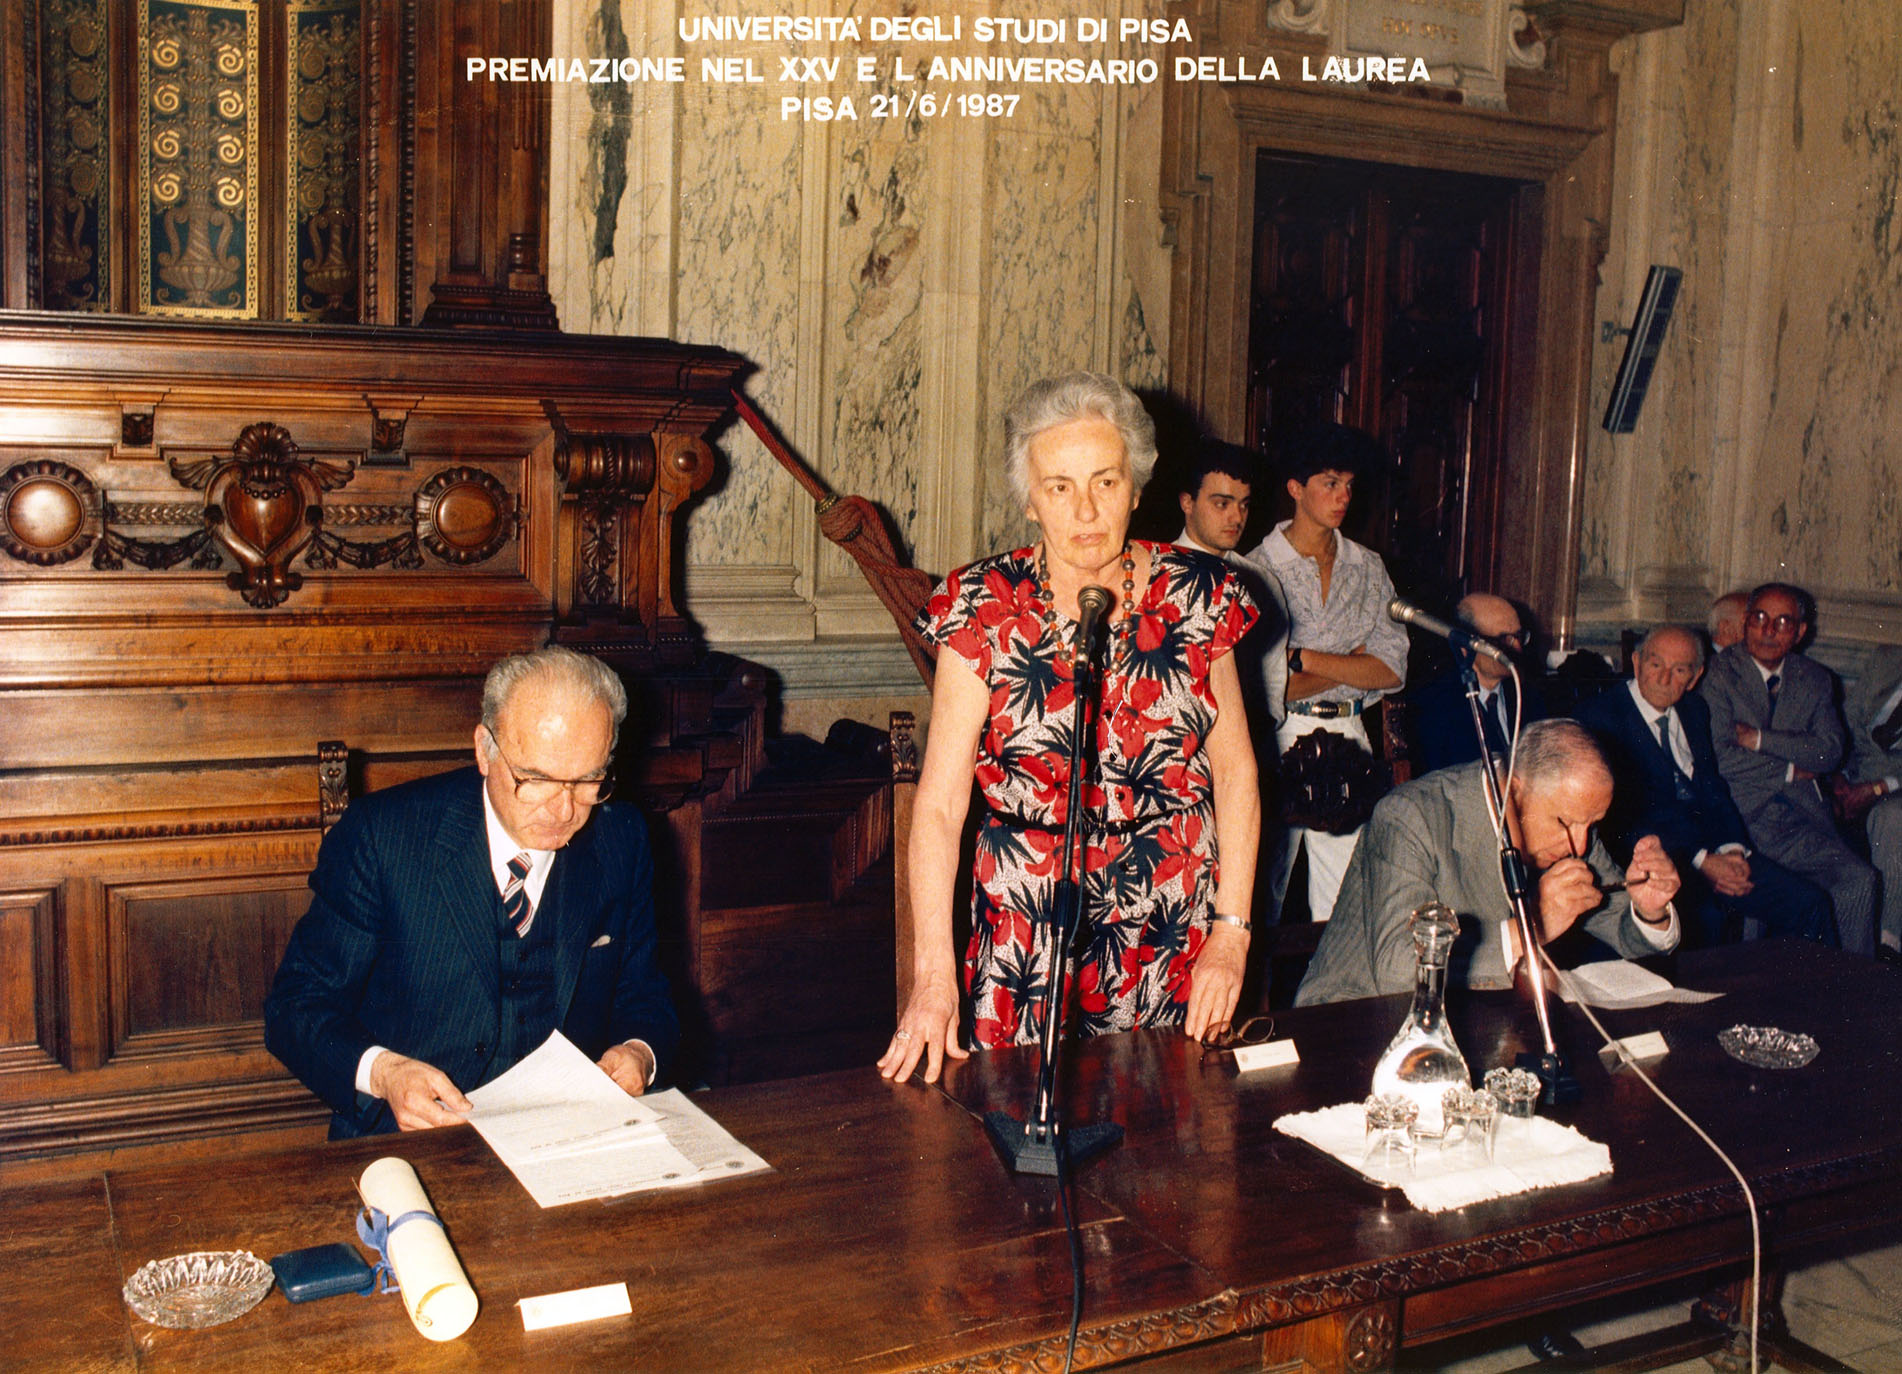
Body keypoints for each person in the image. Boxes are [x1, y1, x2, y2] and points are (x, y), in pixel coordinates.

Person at [878, 372, 1261, 1084]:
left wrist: (1231, 933)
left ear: (1136, 486)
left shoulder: (1200, 596)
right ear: (1030, 499)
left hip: (1174, 921)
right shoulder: (981, 605)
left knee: (1178, 1130)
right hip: (1028, 927)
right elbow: (939, 807)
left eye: (1105, 482)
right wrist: (933, 978)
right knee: (1009, 1123)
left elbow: (1235, 772)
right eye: (1059, 487)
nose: (1086, 510)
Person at [265, 646, 679, 1136]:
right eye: (537, 779)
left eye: (588, 780)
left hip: (567, 1135)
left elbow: (644, 994)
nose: (564, 810)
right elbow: (295, 1008)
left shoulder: (620, 837)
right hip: (415, 1137)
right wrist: (383, 1074)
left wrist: (639, 1052)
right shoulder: (383, 838)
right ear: (485, 749)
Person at [1296, 719, 1680, 1005]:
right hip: (1356, 1013)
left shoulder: (1570, 820)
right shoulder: (1411, 816)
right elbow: (1396, 970)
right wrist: (1529, 927)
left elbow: (1623, 931)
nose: (1579, 845)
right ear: (1513, 791)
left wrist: (1649, 912)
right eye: (1566, 823)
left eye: (1592, 825)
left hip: (1479, 1014)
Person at [1244, 422, 1407, 924]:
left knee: (1344, 898)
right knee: (1260, 888)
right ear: (1296, 488)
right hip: (1277, 734)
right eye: (1330, 483)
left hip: (1349, 733)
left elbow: (1391, 668)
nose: (1344, 497)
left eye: (1349, 485)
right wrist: (1352, 662)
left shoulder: (1367, 567)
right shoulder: (1256, 568)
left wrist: (1306, 658)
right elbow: (1267, 685)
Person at [1578, 625, 1830, 948]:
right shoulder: (1600, 717)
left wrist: (1732, 849)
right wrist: (1700, 861)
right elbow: (1622, 822)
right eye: (1656, 664)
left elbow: (1714, 789)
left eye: (1679, 670)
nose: (1665, 678)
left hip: (1714, 849)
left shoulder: (1694, 710)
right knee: (1704, 920)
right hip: (1655, 860)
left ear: (1695, 677)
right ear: (1637, 662)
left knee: (1810, 903)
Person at [1699, 582, 1877, 955]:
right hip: (1740, 819)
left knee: (1859, 880)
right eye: (1760, 618)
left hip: (1801, 819)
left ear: (1799, 632)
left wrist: (1759, 739)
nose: (1768, 630)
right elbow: (1719, 757)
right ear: (1745, 622)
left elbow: (1829, 754)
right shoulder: (1717, 673)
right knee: (1775, 899)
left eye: (1782, 622)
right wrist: (1790, 770)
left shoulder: (1815, 678)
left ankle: (1852, 983)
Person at [1175, 439, 1291, 754]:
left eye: (1244, 505)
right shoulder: (1157, 573)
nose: (1236, 517)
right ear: (1188, 502)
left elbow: (1272, 676)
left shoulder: (1260, 581)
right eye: (1222, 504)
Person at [1406, 593, 1546, 775]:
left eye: (1519, 636)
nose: (1517, 648)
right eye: (1505, 639)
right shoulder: (1435, 707)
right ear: (1466, 647)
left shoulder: (1527, 697)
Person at [1833, 643, 1902, 959]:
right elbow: (1845, 723)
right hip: (1853, 773)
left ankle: (1888, 943)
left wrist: (1879, 787)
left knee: (1893, 816)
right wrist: (1837, 774)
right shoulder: (1886, 659)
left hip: (1896, 787)